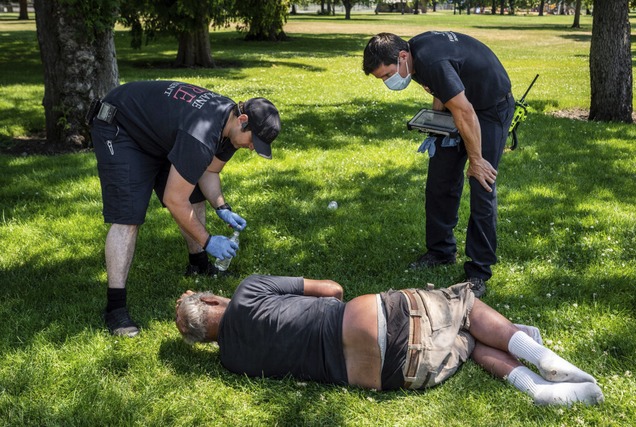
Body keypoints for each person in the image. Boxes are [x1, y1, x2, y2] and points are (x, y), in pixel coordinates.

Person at [175, 274, 604, 407]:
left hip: (394, 375)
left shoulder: (231, 362)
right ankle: (543, 357)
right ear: (212, 299)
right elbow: (332, 289)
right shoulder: (248, 292)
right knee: (466, 306)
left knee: (467, 342)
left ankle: (536, 390)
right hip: (369, 322)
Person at [89, 80, 281, 337]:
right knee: (129, 216)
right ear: (242, 119)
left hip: (157, 133)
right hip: (121, 126)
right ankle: (115, 308)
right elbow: (174, 200)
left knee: (195, 194)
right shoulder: (202, 134)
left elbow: (209, 170)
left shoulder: (229, 125)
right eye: (253, 140)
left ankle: (199, 265)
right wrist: (208, 239)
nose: (252, 147)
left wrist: (222, 207)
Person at [362, 32, 516, 298]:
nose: (388, 82)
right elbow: (444, 92)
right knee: (440, 179)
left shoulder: (431, 61)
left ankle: (479, 271)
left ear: (401, 57)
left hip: (489, 108)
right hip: (462, 105)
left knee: (481, 183)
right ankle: (440, 251)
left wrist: (476, 160)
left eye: (387, 75)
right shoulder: (413, 55)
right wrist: (437, 125)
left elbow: (465, 111)